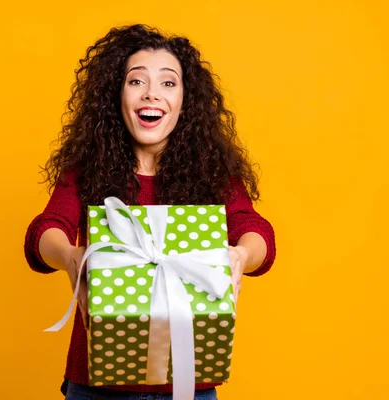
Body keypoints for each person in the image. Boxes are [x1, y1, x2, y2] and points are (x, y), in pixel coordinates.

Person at [24, 24, 276, 400]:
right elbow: (46, 229)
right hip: (97, 384)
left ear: (185, 101)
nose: (152, 94)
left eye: (168, 83)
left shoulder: (212, 172)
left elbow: (254, 230)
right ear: (117, 95)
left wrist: (240, 255)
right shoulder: (88, 169)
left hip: (189, 384)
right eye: (136, 81)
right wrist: (70, 256)